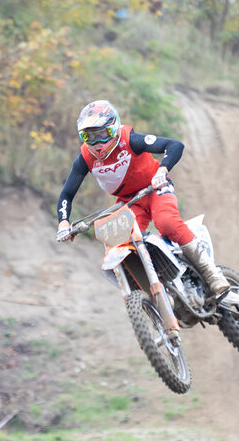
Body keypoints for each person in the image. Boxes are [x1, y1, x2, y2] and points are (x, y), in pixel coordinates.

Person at [55, 100, 230, 297]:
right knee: (117, 243)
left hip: (155, 187)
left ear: (112, 128)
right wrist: (63, 223)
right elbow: (67, 194)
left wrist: (163, 170)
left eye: (101, 134)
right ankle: (160, 291)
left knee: (167, 223)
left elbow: (174, 145)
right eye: (90, 136)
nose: (96, 142)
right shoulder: (86, 157)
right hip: (129, 201)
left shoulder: (129, 140)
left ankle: (212, 273)